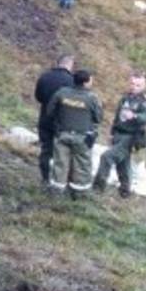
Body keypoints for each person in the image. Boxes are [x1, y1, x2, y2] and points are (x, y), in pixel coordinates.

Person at [93, 72, 146, 198]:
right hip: (118, 134)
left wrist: (135, 116)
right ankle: (125, 191)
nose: (134, 87)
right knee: (123, 164)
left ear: (144, 86)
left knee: (107, 157)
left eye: (138, 85)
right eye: (132, 83)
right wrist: (112, 133)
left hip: (131, 137)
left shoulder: (145, 102)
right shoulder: (126, 98)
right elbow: (117, 117)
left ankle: (97, 189)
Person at [44, 69, 103, 198]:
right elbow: (98, 117)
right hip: (82, 138)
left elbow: (49, 112)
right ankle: (79, 193)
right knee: (82, 165)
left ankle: (56, 191)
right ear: (86, 83)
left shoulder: (61, 93)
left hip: (62, 134)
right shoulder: (92, 98)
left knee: (60, 163)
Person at [34, 55, 75, 187]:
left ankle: (45, 178)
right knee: (61, 152)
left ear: (57, 63)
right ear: (70, 65)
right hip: (62, 121)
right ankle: (59, 181)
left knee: (46, 149)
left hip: (45, 118)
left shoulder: (45, 76)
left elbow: (38, 96)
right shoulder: (72, 81)